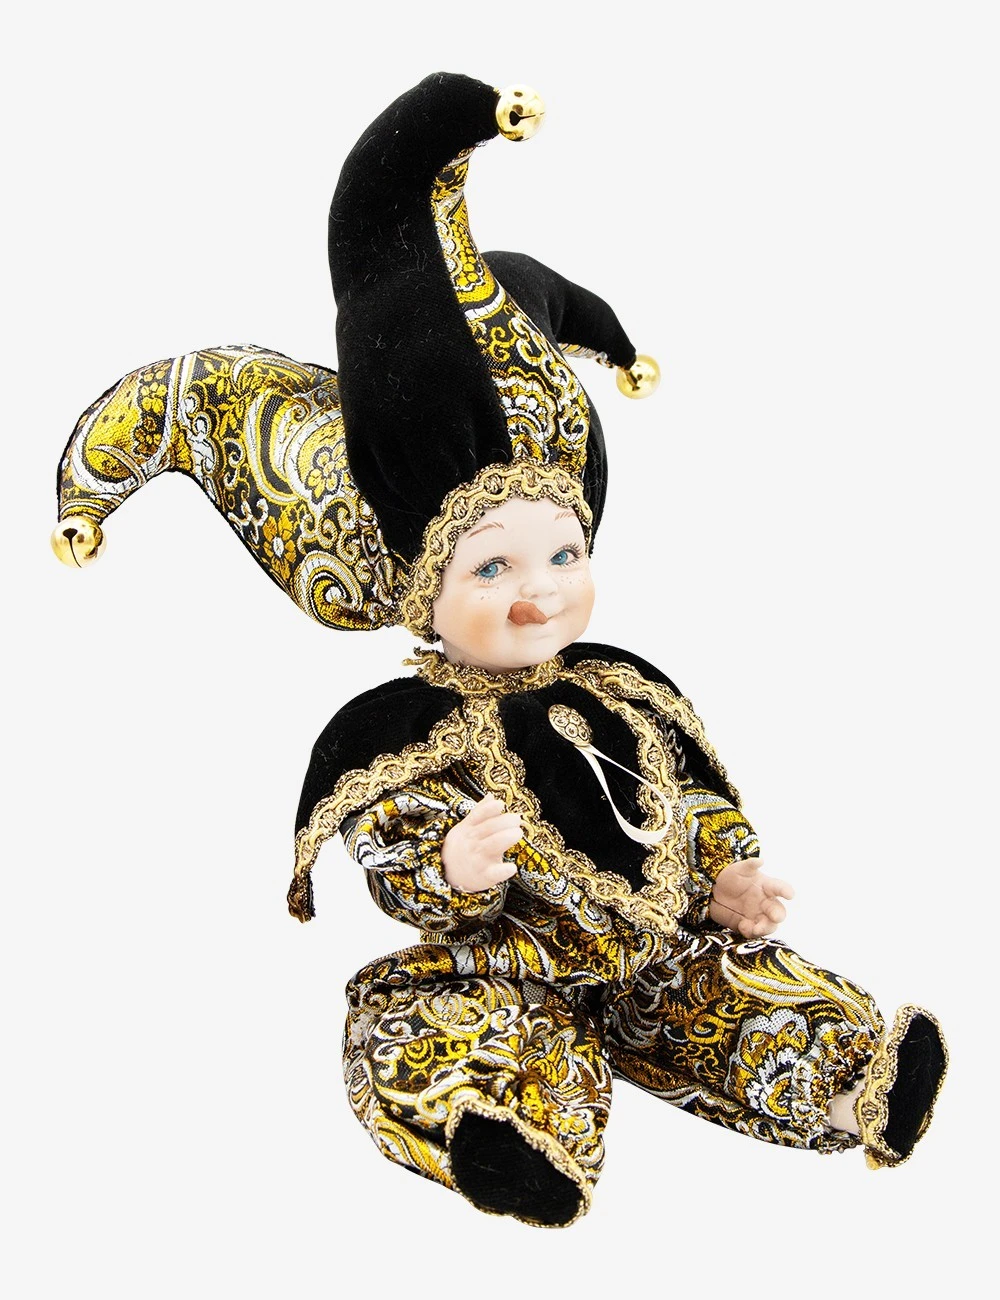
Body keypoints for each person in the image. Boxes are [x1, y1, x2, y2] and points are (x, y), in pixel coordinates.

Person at [52, 72, 947, 1228]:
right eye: (492, 570)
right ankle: (504, 1133)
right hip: (499, 960)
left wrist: (724, 872)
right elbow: (390, 852)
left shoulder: (621, 684)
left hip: (650, 946)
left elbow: (683, 792)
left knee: (723, 992)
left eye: (563, 555)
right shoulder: (399, 730)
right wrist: (451, 868)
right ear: (418, 590)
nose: (540, 595)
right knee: (428, 1025)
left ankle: (850, 1077)